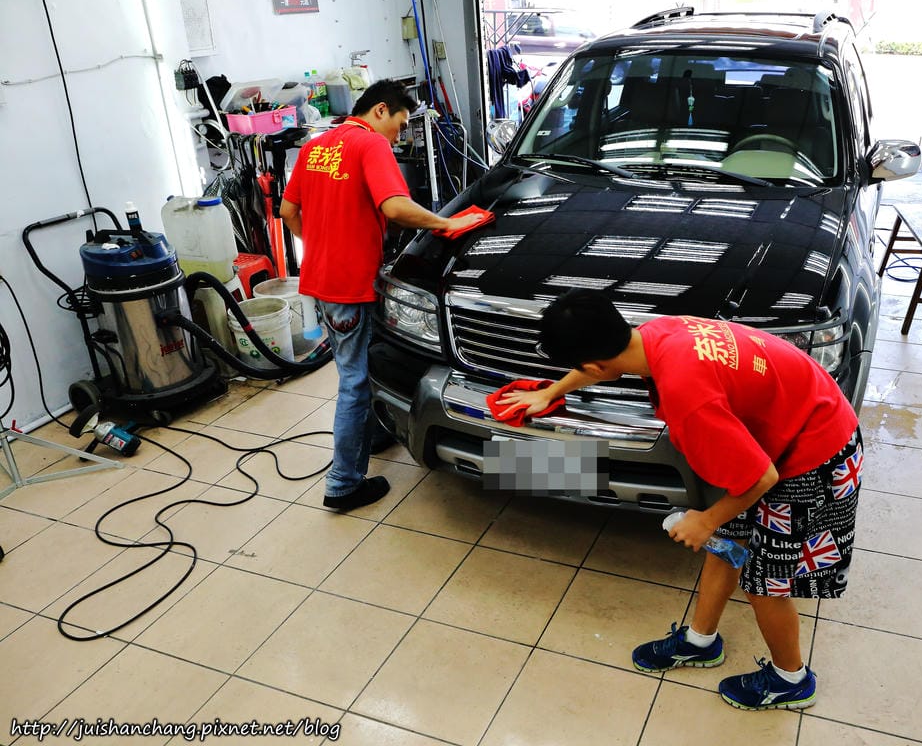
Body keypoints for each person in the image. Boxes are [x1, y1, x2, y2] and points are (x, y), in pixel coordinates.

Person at [501, 290, 862, 711]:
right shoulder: (654, 333)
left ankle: (791, 680)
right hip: (783, 426)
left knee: (765, 582)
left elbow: (763, 477)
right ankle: (701, 642)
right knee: (728, 547)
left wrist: (706, 520)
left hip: (815, 453)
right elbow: (600, 365)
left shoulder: (686, 394)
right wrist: (551, 392)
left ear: (596, 363)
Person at [280, 80, 484, 511]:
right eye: (400, 123)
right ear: (379, 111)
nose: (401, 134)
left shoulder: (317, 145)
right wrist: (445, 224)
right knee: (353, 383)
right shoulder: (370, 145)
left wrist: (320, 246)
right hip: (349, 285)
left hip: (320, 280)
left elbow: (288, 211)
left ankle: (371, 435)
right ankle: (343, 484)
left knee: (358, 365)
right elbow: (395, 207)